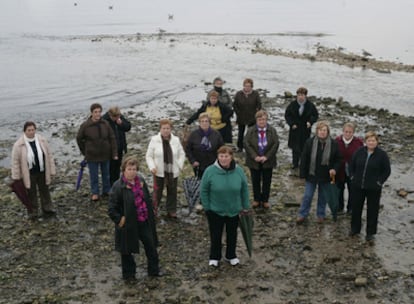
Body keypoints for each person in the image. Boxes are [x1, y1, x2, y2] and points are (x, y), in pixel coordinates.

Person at [108, 156, 161, 280]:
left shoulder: (141, 181)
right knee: (127, 251)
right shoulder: (118, 186)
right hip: (128, 224)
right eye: (129, 169)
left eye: (134, 169)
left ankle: (154, 271)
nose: (132, 171)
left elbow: (147, 198)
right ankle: (129, 275)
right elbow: (111, 208)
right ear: (124, 170)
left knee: (151, 246)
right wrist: (120, 220)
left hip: (143, 220)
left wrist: (151, 212)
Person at [200, 145, 250, 267]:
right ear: (218, 157)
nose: (223, 159)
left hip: (234, 209)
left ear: (231, 157)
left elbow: (244, 189)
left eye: (226, 156)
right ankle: (214, 257)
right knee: (215, 235)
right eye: (221, 156)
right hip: (215, 210)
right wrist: (207, 207)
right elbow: (204, 190)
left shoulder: (239, 171)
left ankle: (231, 255)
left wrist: (245, 206)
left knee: (232, 234)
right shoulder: (209, 171)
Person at [296, 121, 342, 224]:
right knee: (308, 196)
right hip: (312, 174)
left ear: (328, 132)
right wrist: (302, 175)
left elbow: (338, 159)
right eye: (320, 130)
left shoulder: (334, 144)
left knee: (323, 197)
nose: (322, 132)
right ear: (317, 131)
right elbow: (304, 159)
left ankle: (321, 215)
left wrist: (335, 169)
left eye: (324, 130)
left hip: (326, 176)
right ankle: (302, 214)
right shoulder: (310, 142)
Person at [349, 131, 391, 242]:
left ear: (377, 142)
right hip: (358, 186)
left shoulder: (382, 155)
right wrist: (352, 177)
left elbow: (387, 171)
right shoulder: (359, 152)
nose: (371, 142)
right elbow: (351, 165)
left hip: (374, 188)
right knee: (356, 208)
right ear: (365, 141)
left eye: (373, 140)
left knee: (372, 210)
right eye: (369, 140)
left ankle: (370, 233)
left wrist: (379, 182)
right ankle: (355, 229)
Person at [11, 121, 56, 220]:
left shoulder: (42, 140)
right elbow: (15, 162)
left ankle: (47, 208)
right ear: (25, 131)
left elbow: (49, 155)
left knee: (45, 190)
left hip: (42, 170)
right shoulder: (18, 145)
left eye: (33, 130)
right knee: (31, 193)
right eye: (29, 130)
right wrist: (16, 177)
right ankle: (33, 211)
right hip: (29, 173)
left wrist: (52, 170)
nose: (31, 132)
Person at [77, 103, 118, 201]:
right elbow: (79, 139)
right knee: (94, 176)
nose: (98, 114)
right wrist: (85, 151)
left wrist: (114, 153)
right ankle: (95, 192)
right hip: (92, 156)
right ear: (91, 113)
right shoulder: (85, 125)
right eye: (95, 112)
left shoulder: (105, 124)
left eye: (99, 112)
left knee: (106, 174)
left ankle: (106, 190)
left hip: (105, 154)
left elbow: (112, 138)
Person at [146, 119, 185, 218]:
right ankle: (154, 209)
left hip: (173, 171)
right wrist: (152, 167)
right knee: (157, 192)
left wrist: (179, 165)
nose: (166, 130)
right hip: (158, 171)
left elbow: (181, 154)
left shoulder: (175, 140)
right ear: (160, 129)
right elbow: (149, 156)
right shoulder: (154, 140)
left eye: (168, 128)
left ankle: (171, 210)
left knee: (172, 191)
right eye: (164, 128)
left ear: (171, 129)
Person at [244, 110, 279, 209]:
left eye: (263, 119)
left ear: (266, 120)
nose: (262, 122)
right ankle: (256, 199)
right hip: (254, 160)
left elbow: (275, 144)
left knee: (267, 181)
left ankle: (265, 200)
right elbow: (246, 144)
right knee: (255, 180)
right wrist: (255, 156)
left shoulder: (272, 130)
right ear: (256, 120)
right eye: (259, 120)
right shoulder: (250, 130)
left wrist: (266, 156)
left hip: (268, 160)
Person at [284, 87, 319, 169]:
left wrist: (310, 122)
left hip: (305, 129)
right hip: (295, 129)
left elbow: (315, 115)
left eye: (302, 95)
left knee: (304, 148)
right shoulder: (292, 105)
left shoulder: (310, 105)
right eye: (299, 95)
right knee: (295, 148)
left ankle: (303, 164)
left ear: (305, 96)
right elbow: (287, 115)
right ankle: (295, 164)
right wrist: (291, 124)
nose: (300, 97)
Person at [335, 122, 363, 214]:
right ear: (343, 131)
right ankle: (339, 207)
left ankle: (350, 208)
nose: (348, 134)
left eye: (350, 132)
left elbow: (361, 156)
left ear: (353, 133)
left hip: (353, 171)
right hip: (339, 170)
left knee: (353, 190)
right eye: (346, 131)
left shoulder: (358, 142)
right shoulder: (337, 141)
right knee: (339, 189)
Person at [186, 112, 224, 179]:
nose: (204, 123)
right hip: (198, 165)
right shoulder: (193, 135)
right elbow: (188, 149)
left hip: (213, 164)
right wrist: (193, 161)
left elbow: (221, 149)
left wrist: (219, 160)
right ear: (199, 123)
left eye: (206, 121)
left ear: (209, 122)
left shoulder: (216, 134)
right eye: (202, 121)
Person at [103, 106, 131, 186]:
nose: (117, 118)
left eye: (118, 116)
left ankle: (116, 183)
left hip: (120, 146)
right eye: (115, 117)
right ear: (110, 115)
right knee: (110, 168)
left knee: (117, 166)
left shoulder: (120, 118)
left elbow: (128, 127)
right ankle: (109, 185)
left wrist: (121, 123)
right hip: (109, 149)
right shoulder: (104, 121)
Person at [233, 78, 262, 152]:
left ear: (251, 86)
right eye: (246, 86)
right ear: (243, 86)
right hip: (241, 117)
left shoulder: (255, 94)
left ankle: (250, 148)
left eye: (249, 86)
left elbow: (259, 105)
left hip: (252, 117)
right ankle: (240, 147)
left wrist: (257, 113)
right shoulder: (239, 94)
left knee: (251, 134)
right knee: (240, 133)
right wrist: (238, 113)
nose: (247, 87)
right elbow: (235, 105)